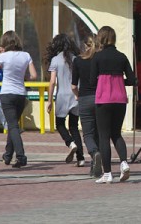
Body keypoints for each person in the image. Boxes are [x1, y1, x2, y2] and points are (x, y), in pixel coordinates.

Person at [90, 26, 136, 184]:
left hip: (103, 99)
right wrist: (119, 81)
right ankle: (124, 163)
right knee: (116, 133)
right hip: (120, 99)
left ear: (101, 38)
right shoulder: (122, 57)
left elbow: (91, 81)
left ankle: (108, 173)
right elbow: (132, 80)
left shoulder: (97, 57)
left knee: (104, 136)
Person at [0, 30, 37, 168]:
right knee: (13, 124)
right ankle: (8, 155)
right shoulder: (26, 55)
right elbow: (33, 76)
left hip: (7, 93)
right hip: (21, 94)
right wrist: (24, 76)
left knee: (13, 125)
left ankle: (21, 156)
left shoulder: (3, 56)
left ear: (4, 43)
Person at [45, 33, 85, 167]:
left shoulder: (56, 60)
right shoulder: (76, 59)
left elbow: (52, 82)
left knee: (60, 124)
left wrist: (49, 100)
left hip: (62, 96)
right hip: (75, 95)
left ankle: (70, 143)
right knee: (74, 127)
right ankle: (81, 158)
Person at [71, 33, 102, 177]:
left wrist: (77, 96)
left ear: (85, 45)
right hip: (101, 98)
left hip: (84, 98)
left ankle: (94, 153)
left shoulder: (77, 61)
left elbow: (73, 86)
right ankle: (97, 165)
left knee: (88, 134)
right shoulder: (100, 59)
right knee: (99, 133)